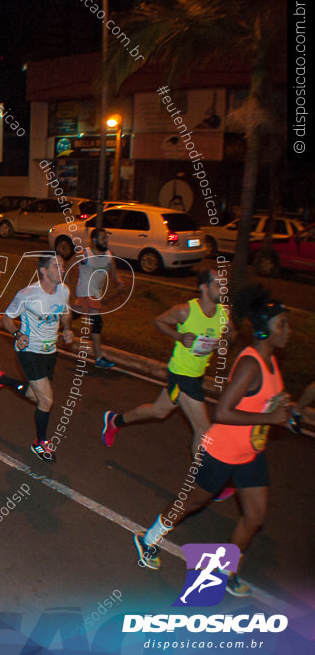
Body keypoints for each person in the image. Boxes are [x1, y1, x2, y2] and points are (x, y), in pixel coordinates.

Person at [133, 286, 292, 598]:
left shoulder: (272, 362)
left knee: (255, 516)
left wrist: (279, 408)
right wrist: (270, 419)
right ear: (263, 331)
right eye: (282, 325)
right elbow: (223, 412)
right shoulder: (250, 365)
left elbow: (259, 404)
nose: (288, 330)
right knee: (192, 501)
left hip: (250, 452)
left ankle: (225, 569)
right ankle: (148, 538)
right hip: (223, 451)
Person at [102, 268, 235, 455]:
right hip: (181, 374)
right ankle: (207, 480)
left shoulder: (224, 311)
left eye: (225, 284)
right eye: (219, 285)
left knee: (158, 411)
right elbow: (158, 321)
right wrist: (179, 336)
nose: (224, 289)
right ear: (204, 287)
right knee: (203, 429)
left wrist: (225, 339)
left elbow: (231, 335)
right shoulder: (184, 311)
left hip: (197, 375)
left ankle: (115, 421)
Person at [0, 254, 73, 461]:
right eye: (57, 266)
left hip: (49, 353)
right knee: (46, 399)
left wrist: (68, 328)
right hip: (28, 352)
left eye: (63, 266)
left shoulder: (64, 290)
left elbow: (65, 312)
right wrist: (18, 334)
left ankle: (1, 378)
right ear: (43, 270)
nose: (62, 269)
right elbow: (6, 318)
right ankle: (40, 443)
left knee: (37, 397)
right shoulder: (27, 294)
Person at [72, 228, 125, 368]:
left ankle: (51, 325)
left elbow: (113, 272)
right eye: (103, 238)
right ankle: (99, 358)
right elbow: (67, 266)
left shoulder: (108, 255)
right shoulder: (84, 255)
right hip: (85, 292)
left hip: (95, 293)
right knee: (97, 323)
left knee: (74, 315)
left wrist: (119, 282)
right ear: (94, 240)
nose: (105, 241)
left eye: (106, 238)